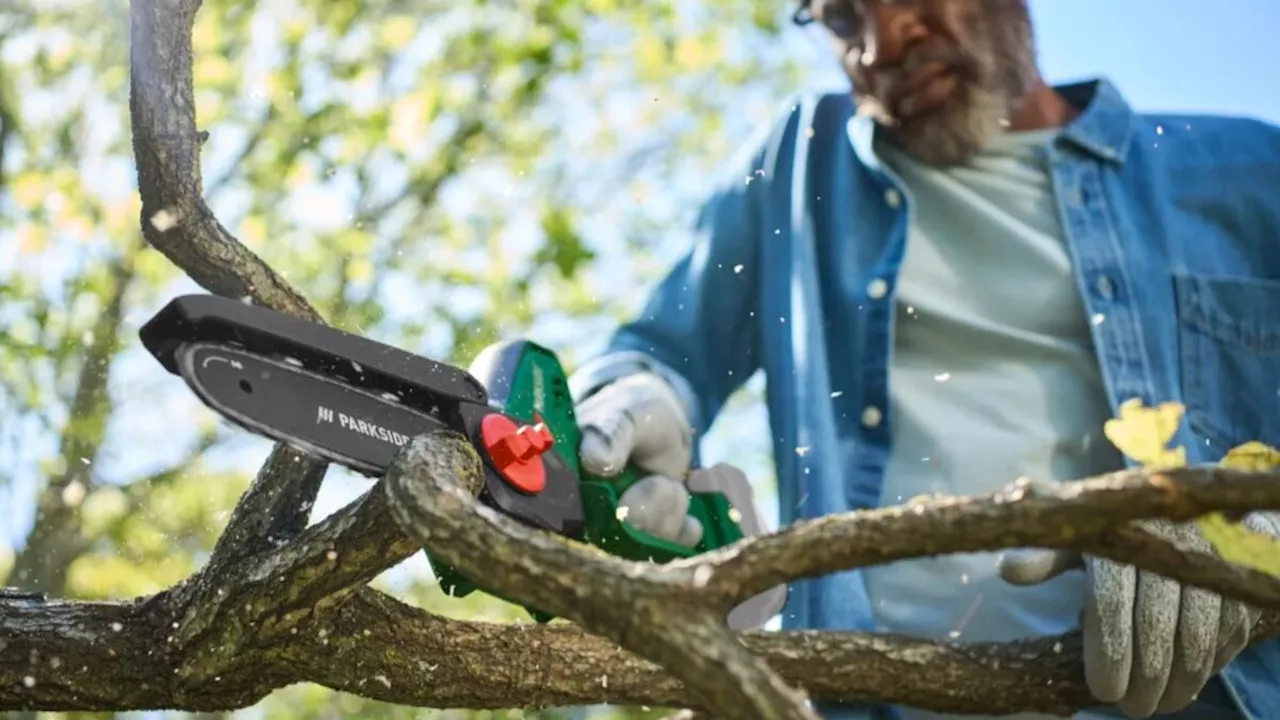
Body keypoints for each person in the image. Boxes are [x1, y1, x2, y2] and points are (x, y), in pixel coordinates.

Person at [565, 1, 1280, 719]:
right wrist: (628, 401)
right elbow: (659, 353)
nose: (881, 45)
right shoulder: (802, 163)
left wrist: (1251, 528)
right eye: (842, 18)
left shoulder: (1252, 172)